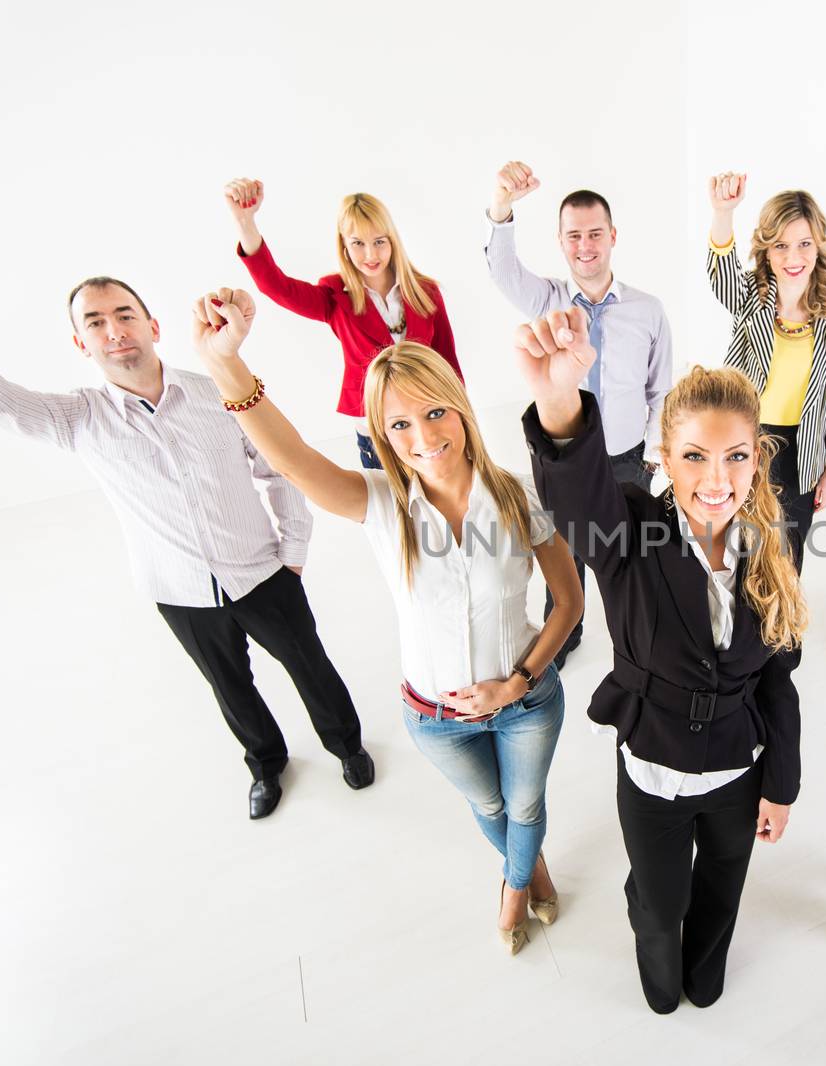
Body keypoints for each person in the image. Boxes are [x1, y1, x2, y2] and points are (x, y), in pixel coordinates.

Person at [0, 249, 372, 820]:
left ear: (152, 327)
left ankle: (346, 746)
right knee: (229, 686)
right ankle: (265, 765)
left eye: (125, 314)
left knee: (310, 665)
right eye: (95, 322)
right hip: (179, 592)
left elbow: (280, 466)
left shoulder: (219, 391)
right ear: (81, 345)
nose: (114, 330)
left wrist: (294, 551)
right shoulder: (78, 419)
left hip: (263, 572)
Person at [188, 287, 581, 952]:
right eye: (399, 426)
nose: (424, 438)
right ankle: (531, 867)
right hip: (436, 719)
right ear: (379, 432)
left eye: (434, 413)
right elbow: (290, 460)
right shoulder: (377, 503)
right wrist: (228, 363)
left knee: (529, 806)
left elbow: (568, 602)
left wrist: (517, 682)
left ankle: (515, 889)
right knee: (491, 808)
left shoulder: (516, 492)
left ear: (459, 407)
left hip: (526, 703)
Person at [516, 307, 806, 1013]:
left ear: (756, 459)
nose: (717, 477)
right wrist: (559, 399)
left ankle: (704, 964)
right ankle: (654, 935)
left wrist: (783, 783)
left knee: (722, 886)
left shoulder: (773, 543)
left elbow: (777, 680)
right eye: (696, 457)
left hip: (739, 765)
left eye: (737, 455)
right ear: (664, 461)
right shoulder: (629, 531)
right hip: (654, 765)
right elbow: (576, 497)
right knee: (661, 898)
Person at [485, 161, 673, 667]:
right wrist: (502, 204)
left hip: (628, 459)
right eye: (574, 236)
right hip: (568, 461)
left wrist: (654, 458)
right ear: (561, 242)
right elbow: (501, 270)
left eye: (594, 233)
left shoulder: (648, 310)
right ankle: (565, 632)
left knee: (624, 556)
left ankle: (630, 637)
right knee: (566, 557)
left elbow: (661, 389)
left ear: (612, 236)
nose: (585, 245)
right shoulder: (545, 299)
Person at [225, 178, 461, 469]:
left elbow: (448, 361)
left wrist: (464, 420)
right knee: (394, 512)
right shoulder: (335, 298)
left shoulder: (426, 292)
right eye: (358, 244)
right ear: (344, 246)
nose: (370, 255)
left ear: (392, 242)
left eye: (379, 242)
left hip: (431, 424)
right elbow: (277, 287)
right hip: (376, 430)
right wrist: (245, 222)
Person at [706, 174, 826, 573]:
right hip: (747, 442)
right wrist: (724, 212)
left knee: (788, 557)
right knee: (740, 549)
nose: (794, 257)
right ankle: (738, 631)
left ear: (818, 247)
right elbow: (720, 277)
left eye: (804, 244)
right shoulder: (752, 297)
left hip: (802, 451)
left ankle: (783, 631)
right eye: (782, 246)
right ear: (767, 250)